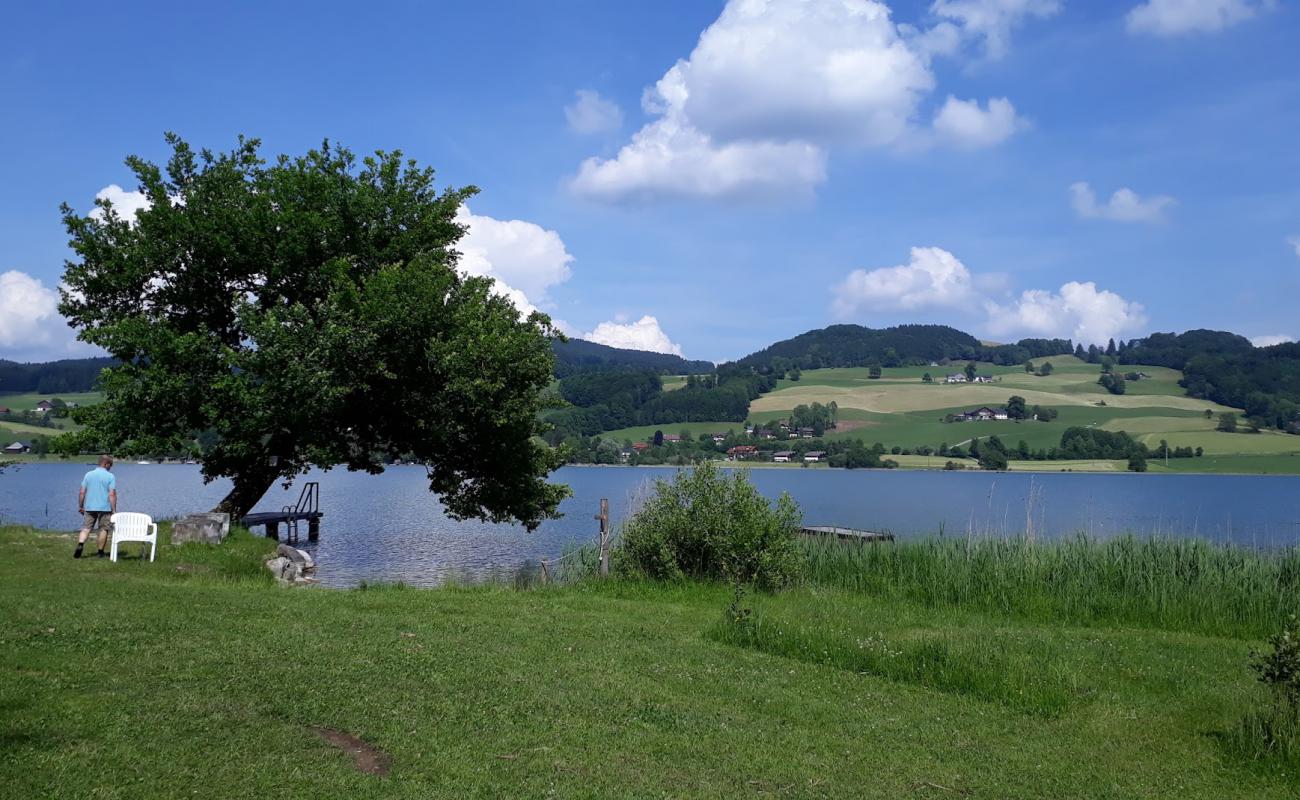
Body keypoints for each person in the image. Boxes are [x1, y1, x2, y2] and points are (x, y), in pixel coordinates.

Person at [75, 455, 117, 559]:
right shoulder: (110, 476)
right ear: (106, 464)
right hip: (105, 508)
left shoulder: (88, 475)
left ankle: (80, 544)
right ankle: (100, 552)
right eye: (110, 465)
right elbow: (112, 495)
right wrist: (114, 510)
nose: (110, 468)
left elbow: (82, 492)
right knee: (103, 529)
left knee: (86, 528)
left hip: (89, 507)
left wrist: (80, 506)